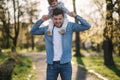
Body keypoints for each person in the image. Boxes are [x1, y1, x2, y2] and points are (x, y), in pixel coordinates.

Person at [30, 8, 91, 80]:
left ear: (63, 18)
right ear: (52, 18)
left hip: (66, 65)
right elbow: (32, 31)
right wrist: (42, 20)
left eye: (60, 19)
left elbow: (87, 26)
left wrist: (76, 16)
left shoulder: (69, 26)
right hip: (51, 65)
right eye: (55, 19)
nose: (58, 21)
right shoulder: (47, 29)